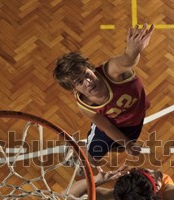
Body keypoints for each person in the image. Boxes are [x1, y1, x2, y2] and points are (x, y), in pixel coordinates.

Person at [53, 23, 154, 165]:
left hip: (133, 120)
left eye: (87, 74)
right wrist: (127, 144)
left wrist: (134, 51)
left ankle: (82, 145)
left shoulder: (111, 71)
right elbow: (107, 128)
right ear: (74, 89)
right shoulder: (86, 105)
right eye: (79, 82)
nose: (88, 82)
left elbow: (127, 60)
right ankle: (79, 151)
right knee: (93, 159)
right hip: (111, 126)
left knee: (118, 149)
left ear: (91, 68)